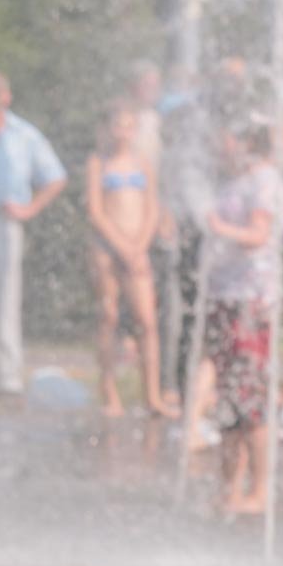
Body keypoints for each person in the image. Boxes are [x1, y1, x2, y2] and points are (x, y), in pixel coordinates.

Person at [204, 117, 283, 513]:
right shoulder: (234, 179)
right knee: (228, 398)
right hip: (226, 296)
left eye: (225, 136)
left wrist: (218, 227)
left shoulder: (265, 180)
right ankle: (228, 489)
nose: (220, 145)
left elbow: (259, 236)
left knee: (251, 398)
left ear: (243, 140)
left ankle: (258, 491)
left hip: (253, 299)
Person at [85, 99, 176, 418]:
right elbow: (95, 211)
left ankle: (152, 395)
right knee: (108, 317)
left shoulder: (142, 165)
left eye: (128, 126)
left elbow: (152, 208)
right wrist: (122, 247)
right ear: (108, 129)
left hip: (137, 248)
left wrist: (139, 246)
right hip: (107, 248)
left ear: (134, 130)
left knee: (147, 322)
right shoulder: (98, 162)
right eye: (117, 126)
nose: (122, 132)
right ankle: (109, 392)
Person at [0, 69, 67, 396]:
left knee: (4, 301)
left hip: (4, 221)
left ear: (6, 97)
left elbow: (55, 176)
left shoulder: (23, 135)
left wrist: (30, 208)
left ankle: (7, 378)